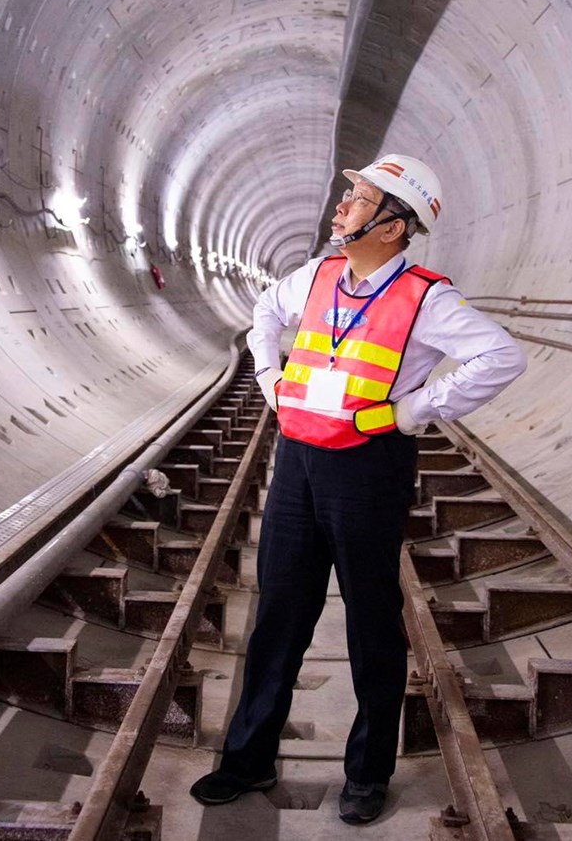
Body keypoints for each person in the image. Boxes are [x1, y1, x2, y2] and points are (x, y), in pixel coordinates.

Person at [190, 154, 526, 823]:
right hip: (298, 465)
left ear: (394, 226)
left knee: (372, 622)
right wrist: (269, 382)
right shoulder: (315, 276)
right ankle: (247, 760)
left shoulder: (426, 297)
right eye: (349, 196)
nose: (342, 208)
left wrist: (412, 411)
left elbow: (501, 356)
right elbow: (265, 312)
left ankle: (367, 775)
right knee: (279, 613)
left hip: (369, 471)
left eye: (361, 199)